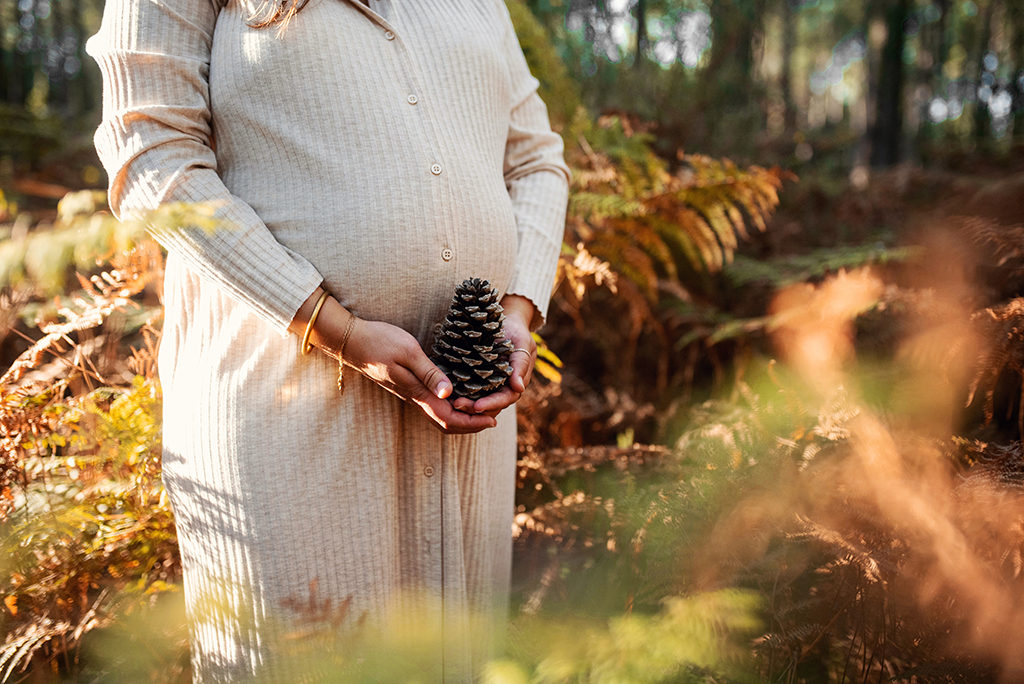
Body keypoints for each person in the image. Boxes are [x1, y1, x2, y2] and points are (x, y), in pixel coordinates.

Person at [85, 0, 570, 680]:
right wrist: (331, 326)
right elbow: (152, 155)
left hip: (469, 433)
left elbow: (536, 161)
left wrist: (517, 309)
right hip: (286, 410)